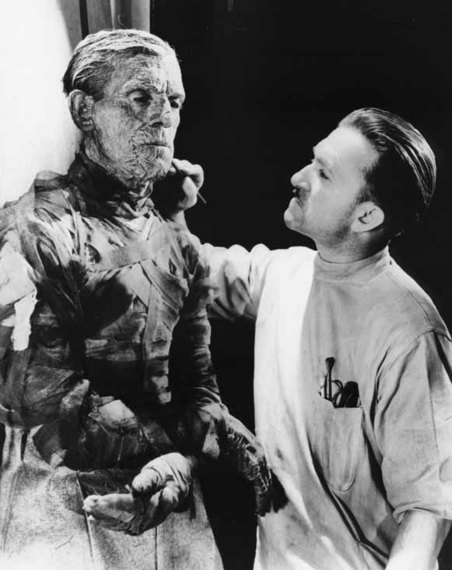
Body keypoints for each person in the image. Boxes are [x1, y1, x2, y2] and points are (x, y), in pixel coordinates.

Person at [0, 29, 271, 570]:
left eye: (174, 101)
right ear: (84, 110)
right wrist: (193, 437)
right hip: (62, 505)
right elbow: (43, 402)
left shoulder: (174, 237)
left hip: (171, 502)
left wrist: (192, 447)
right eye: (141, 98)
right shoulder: (36, 231)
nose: (163, 117)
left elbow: (196, 372)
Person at [173, 107, 452, 569]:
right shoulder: (285, 275)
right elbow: (186, 271)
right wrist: (171, 211)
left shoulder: (409, 332)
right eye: (312, 161)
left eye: (323, 174)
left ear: (366, 215)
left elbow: (427, 511)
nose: (299, 177)